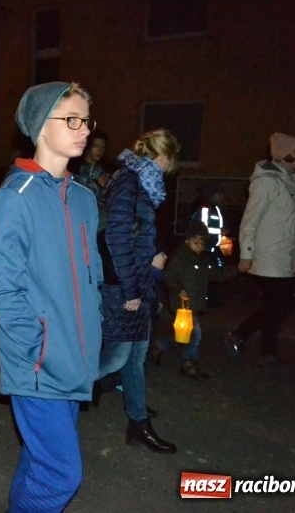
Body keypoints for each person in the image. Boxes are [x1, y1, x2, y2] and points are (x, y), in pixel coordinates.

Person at [0, 82, 103, 511]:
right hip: (38, 362)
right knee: (61, 473)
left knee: (41, 462)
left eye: (87, 120)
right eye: (71, 119)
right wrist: (39, 347)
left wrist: (95, 335)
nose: (84, 130)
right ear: (40, 126)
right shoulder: (15, 198)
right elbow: (6, 291)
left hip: (75, 357)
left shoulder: (85, 199)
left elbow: (91, 281)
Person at [95, 128, 180, 454]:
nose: (170, 170)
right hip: (123, 286)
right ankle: (62, 390)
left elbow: (138, 233)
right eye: (171, 162)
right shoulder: (130, 182)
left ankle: (138, 423)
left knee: (135, 358)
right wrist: (132, 286)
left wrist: (152, 260)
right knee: (117, 356)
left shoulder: (143, 182)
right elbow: (118, 239)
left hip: (139, 283)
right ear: (162, 158)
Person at [224, 133, 295, 371]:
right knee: (279, 305)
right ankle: (256, 346)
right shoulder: (268, 182)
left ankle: (251, 343)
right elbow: (250, 220)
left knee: (279, 306)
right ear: (288, 155)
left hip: (287, 254)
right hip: (270, 255)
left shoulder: (294, 184)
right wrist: (247, 253)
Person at [152, 221, 238, 379]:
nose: (199, 246)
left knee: (185, 335)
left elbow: (216, 275)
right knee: (195, 335)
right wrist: (179, 290)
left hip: (195, 304)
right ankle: (188, 363)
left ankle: (160, 346)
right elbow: (169, 277)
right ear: (187, 240)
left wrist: (237, 269)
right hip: (183, 305)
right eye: (196, 242)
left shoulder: (202, 259)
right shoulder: (180, 257)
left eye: (202, 243)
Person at [72, 129, 110, 202]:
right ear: (88, 146)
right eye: (95, 146)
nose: (100, 150)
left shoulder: (104, 172)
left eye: (103, 147)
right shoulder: (75, 168)